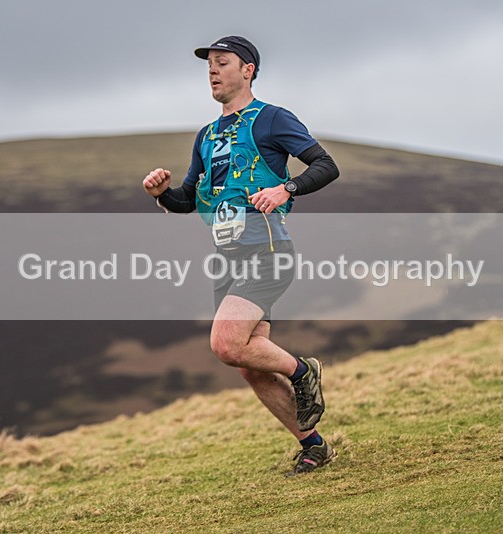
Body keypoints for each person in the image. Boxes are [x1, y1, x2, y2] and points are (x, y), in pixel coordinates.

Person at [142, 36, 340, 475]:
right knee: (250, 363)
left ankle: (303, 371)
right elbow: (187, 200)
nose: (212, 71)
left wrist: (284, 188)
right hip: (227, 258)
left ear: (247, 70)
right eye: (209, 65)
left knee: (225, 344)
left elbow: (325, 166)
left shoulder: (272, 119)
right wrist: (161, 194)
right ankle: (314, 446)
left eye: (222, 63)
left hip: (267, 248)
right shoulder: (207, 135)